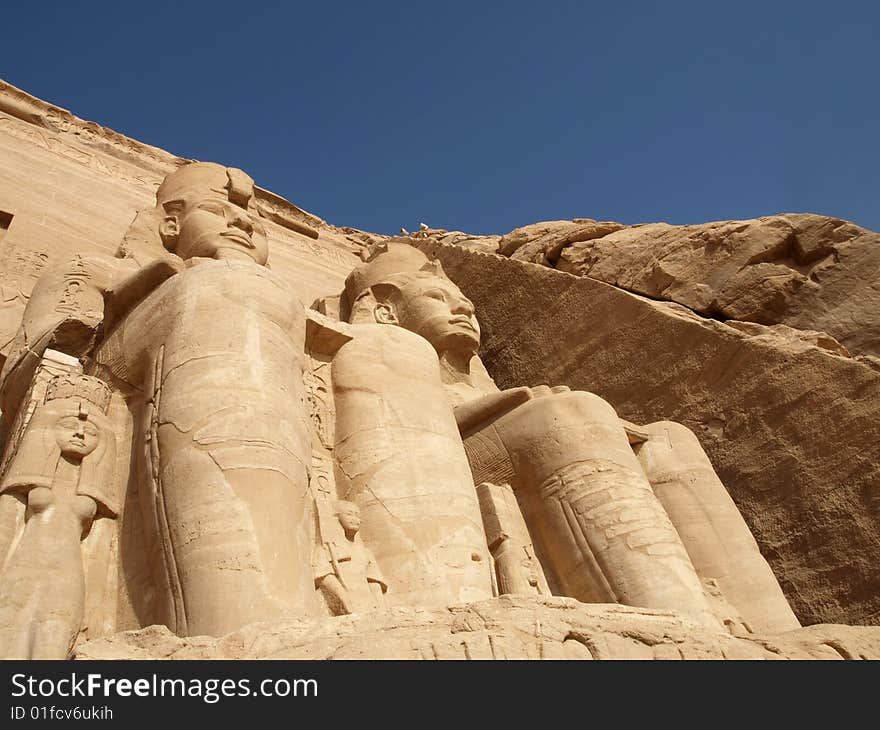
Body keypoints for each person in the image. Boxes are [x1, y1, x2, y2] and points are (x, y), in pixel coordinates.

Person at [339, 242, 801, 632]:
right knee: (567, 414)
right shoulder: (388, 349)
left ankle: (765, 631)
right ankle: (671, 624)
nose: (464, 311)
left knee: (669, 439)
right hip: (439, 465)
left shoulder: (472, 376)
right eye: (440, 299)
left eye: (469, 308)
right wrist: (520, 403)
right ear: (386, 309)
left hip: (500, 440)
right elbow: (411, 425)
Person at [314, 501, 387, 615]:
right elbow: (324, 577)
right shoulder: (328, 548)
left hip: (369, 605)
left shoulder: (366, 552)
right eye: (349, 514)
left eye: (357, 515)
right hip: (347, 604)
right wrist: (346, 601)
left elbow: (374, 583)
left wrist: (382, 609)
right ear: (337, 517)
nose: (355, 519)